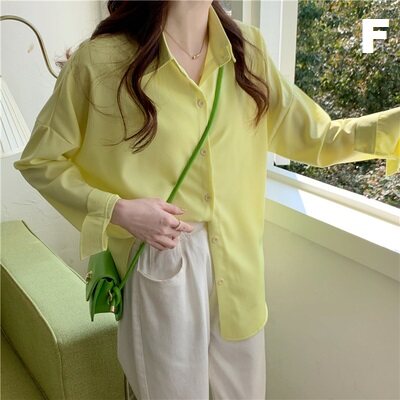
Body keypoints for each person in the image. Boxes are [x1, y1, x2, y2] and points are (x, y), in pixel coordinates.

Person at [13, 1, 399, 399]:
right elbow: (41, 161)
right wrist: (118, 211)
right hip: (162, 258)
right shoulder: (101, 62)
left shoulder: (248, 51)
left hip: (237, 264)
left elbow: (320, 138)